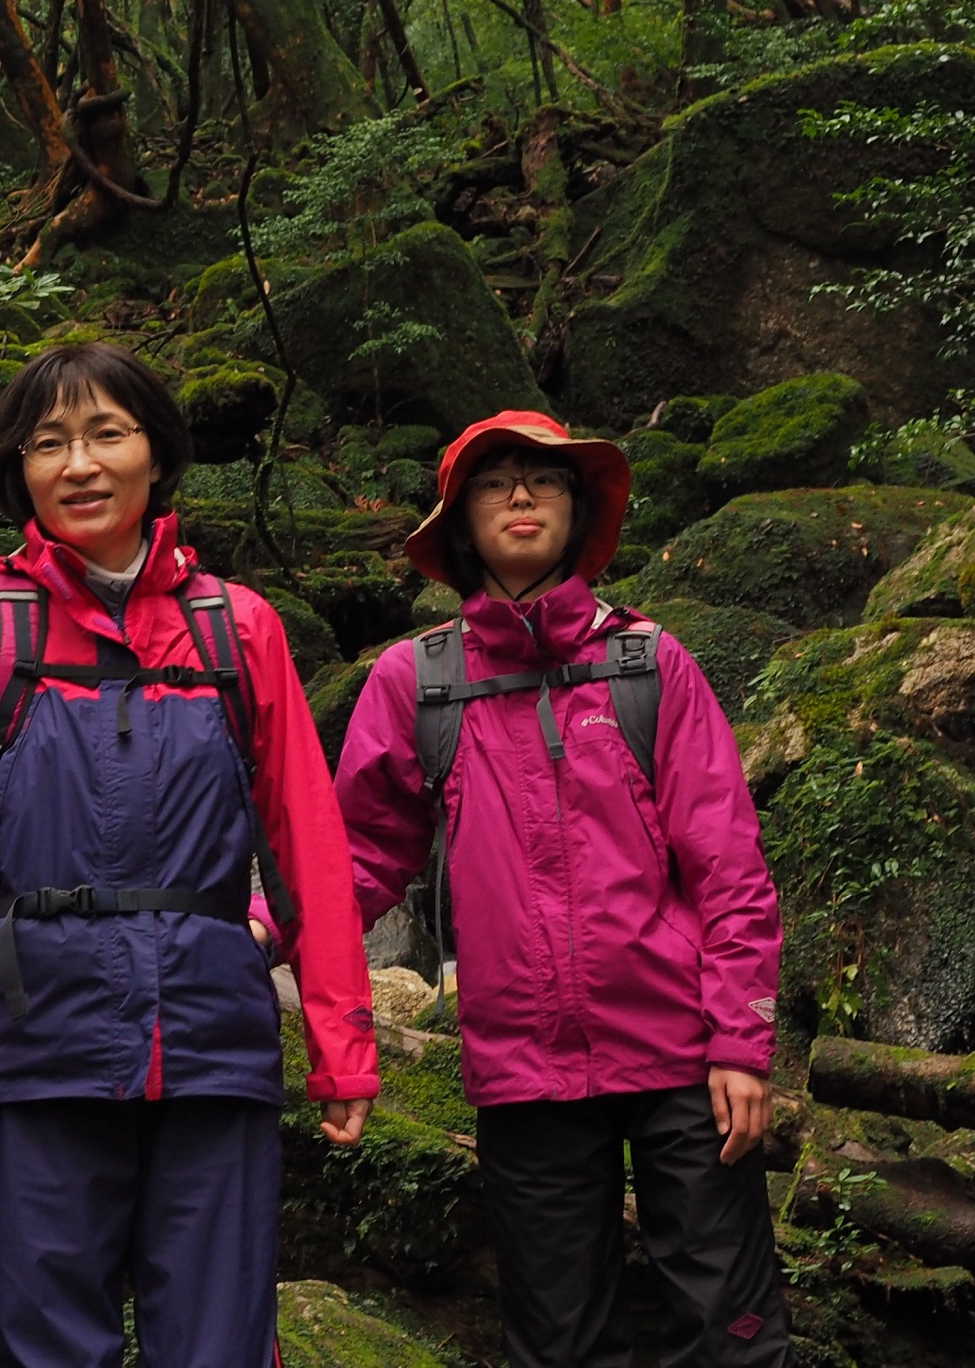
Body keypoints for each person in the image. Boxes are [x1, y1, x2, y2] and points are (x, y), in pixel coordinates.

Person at [0, 340, 380, 1368]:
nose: (80, 464)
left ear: (157, 453)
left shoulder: (238, 631)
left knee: (219, 1347)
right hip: (28, 1048)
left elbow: (307, 845)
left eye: (106, 433)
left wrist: (343, 1044)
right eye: (49, 442)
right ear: (19, 470)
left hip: (210, 1049)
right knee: (37, 1346)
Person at [333, 410, 787, 1368]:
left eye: (545, 479)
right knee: (560, 1344)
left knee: (731, 1338)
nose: (522, 495)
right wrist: (265, 928)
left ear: (577, 511)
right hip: (523, 1065)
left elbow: (728, 866)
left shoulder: (649, 664)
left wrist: (742, 1042)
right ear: (462, 522)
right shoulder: (417, 681)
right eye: (495, 481)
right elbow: (362, 855)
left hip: (680, 1051)